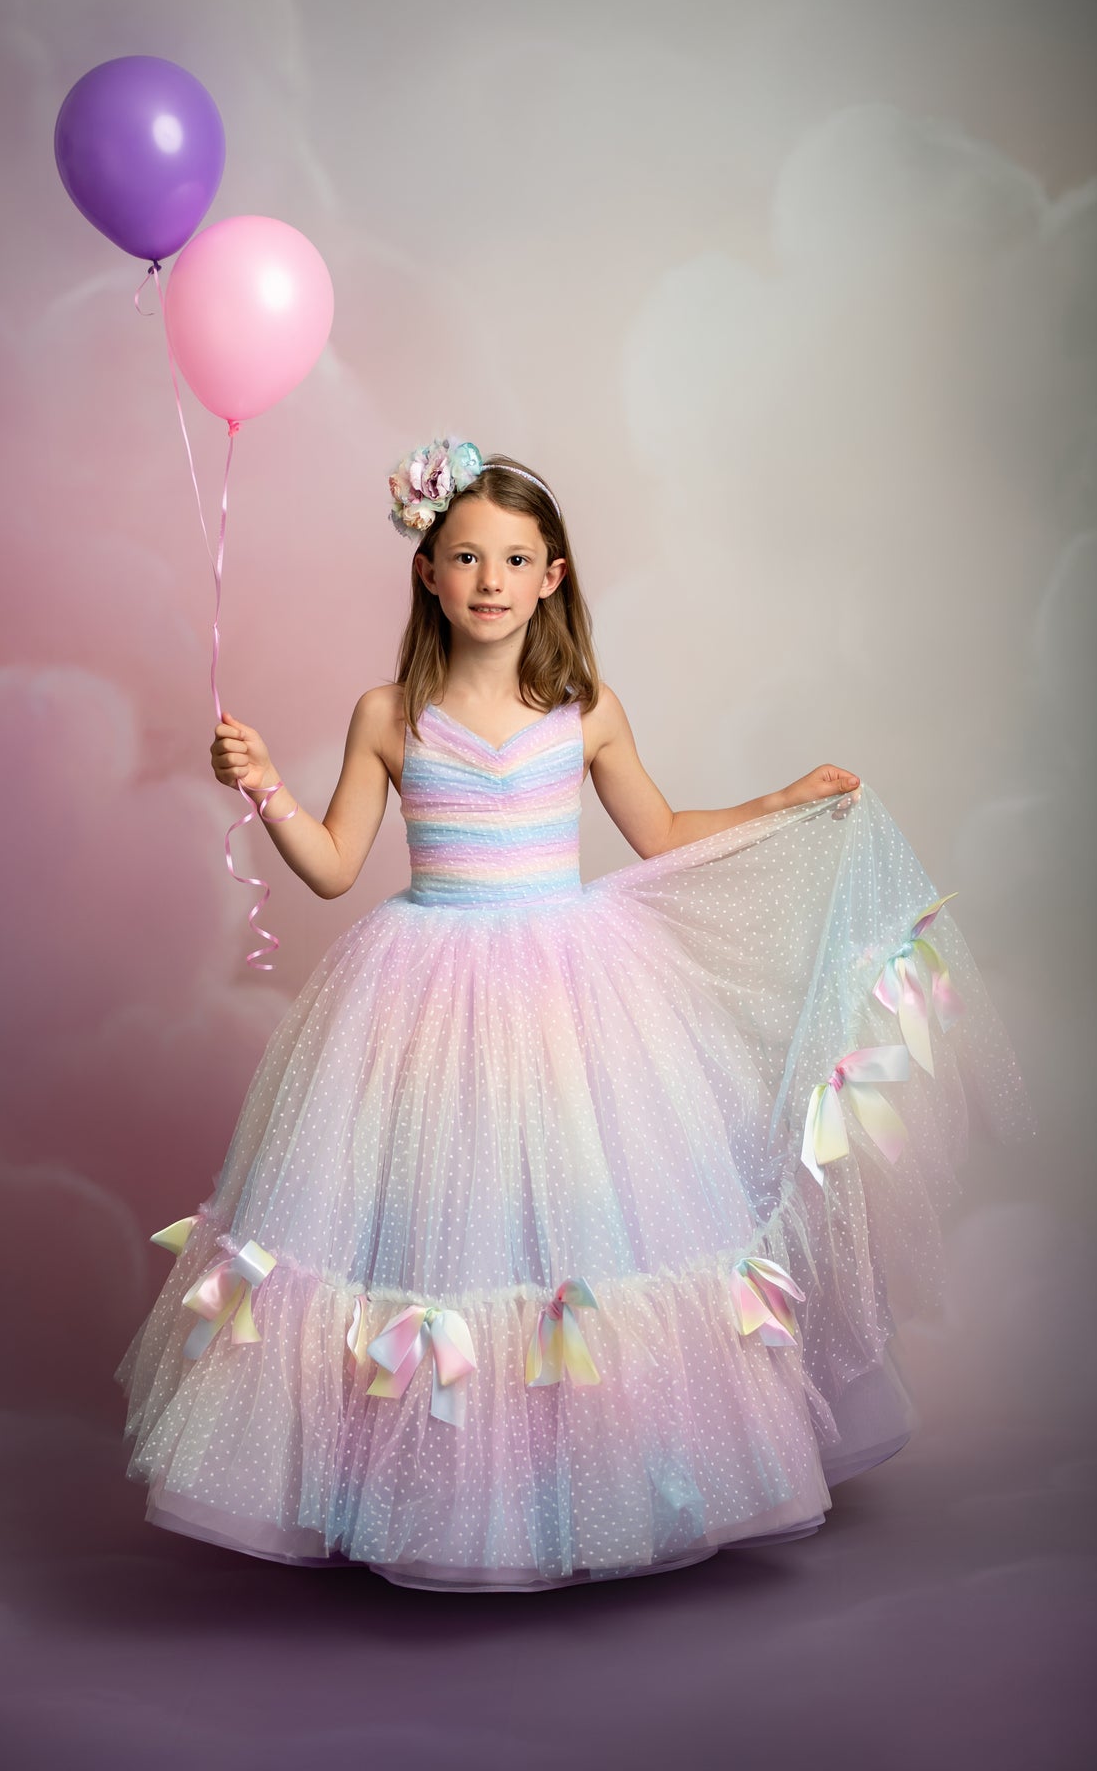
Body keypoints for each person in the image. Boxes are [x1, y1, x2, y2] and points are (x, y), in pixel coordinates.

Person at [115, 436, 1034, 1593]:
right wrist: (265, 788)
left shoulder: (582, 706)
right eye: (465, 558)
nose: (489, 580)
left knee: (582, 1230)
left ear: (552, 576)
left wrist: (780, 801)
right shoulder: (388, 713)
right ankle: (423, 1495)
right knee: (443, 1236)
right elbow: (336, 866)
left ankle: (591, 1487)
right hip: (422, 998)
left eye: (514, 558)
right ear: (428, 575)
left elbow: (658, 835)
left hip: (570, 993)